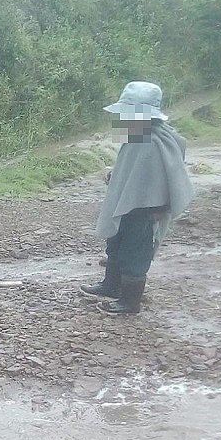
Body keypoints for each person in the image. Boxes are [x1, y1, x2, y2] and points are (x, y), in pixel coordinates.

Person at [81, 81, 194, 315]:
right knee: (115, 245)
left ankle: (130, 302)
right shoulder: (137, 136)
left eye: (126, 113)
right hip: (128, 207)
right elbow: (129, 170)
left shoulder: (155, 141)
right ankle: (111, 285)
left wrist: (156, 206)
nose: (121, 118)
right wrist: (116, 177)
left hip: (145, 212)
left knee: (135, 255)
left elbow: (162, 179)